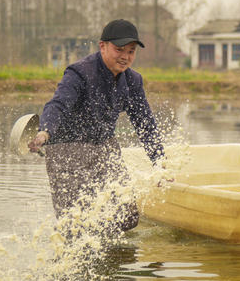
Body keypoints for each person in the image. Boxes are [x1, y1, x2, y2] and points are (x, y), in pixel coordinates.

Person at [28, 19, 164, 232]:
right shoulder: (80, 72)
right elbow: (58, 103)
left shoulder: (133, 81)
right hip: (67, 148)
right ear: (102, 46)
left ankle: (109, 254)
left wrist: (159, 162)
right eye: (119, 49)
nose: (125, 57)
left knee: (126, 217)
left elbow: (145, 124)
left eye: (131, 51)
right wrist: (44, 132)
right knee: (75, 224)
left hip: (105, 147)